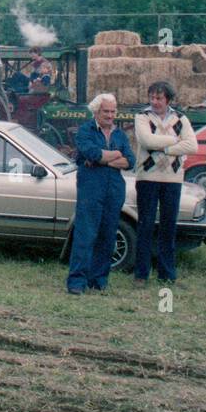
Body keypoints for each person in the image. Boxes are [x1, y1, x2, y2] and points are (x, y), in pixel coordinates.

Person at [67, 93, 135, 294]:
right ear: (96, 111)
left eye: (113, 111)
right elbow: (92, 153)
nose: (111, 115)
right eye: (106, 111)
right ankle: (77, 283)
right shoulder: (85, 131)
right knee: (85, 235)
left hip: (114, 191)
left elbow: (130, 160)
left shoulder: (120, 135)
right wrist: (115, 156)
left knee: (107, 236)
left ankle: (98, 281)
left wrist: (104, 159)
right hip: (90, 189)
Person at [132, 80, 198, 286]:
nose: (155, 102)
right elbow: (146, 141)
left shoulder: (181, 118)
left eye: (159, 98)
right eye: (152, 97)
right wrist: (176, 141)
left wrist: (167, 149)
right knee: (145, 225)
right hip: (147, 178)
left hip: (173, 179)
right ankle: (141, 275)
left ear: (168, 99)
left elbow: (193, 145)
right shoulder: (142, 117)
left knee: (169, 226)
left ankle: (167, 274)